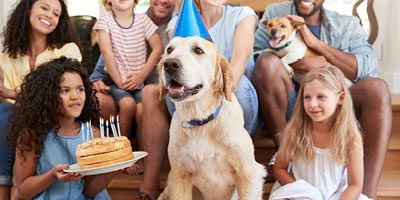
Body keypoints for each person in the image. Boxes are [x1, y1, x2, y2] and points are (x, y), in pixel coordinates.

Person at [252, 0, 392, 198]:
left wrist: (319, 50)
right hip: (289, 99)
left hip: (333, 101)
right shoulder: (276, 13)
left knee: (377, 88)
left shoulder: (346, 24)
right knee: (267, 64)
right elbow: (254, 58)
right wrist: (300, 63)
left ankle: (367, 191)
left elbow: (367, 67)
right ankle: (281, 152)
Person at [0, 0, 81, 199]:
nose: (50, 16)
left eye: (56, 14)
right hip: (12, 119)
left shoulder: (68, 50)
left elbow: (53, 92)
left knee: (6, 113)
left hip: (52, 115)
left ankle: (7, 191)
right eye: (44, 8)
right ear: (28, 10)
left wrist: (11, 93)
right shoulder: (6, 57)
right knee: (5, 113)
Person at [7, 57, 115, 199]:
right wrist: (52, 175)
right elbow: (23, 190)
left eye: (80, 89)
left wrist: (110, 172)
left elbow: (88, 191)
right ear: (47, 96)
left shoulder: (93, 134)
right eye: (65, 91)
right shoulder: (32, 135)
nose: (75, 96)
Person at [270, 65, 370, 200]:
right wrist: (303, 192)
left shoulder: (351, 137)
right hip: (300, 193)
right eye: (307, 97)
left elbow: (355, 185)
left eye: (321, 97)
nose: (312, 104)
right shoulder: (294, 130)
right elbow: (279, 169)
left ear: (340, 98)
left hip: (337, 196)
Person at [93, 0, 163, 139]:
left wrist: (141, 76)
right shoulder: (105, 21)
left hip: (139, 83)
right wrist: (120, 82)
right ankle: (122, 147)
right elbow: (107, 53)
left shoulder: (143, 20)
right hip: (117, 83)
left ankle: (142, 154)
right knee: (127, 105)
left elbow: (158, 47)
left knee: (142, 111)